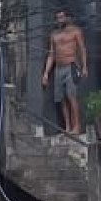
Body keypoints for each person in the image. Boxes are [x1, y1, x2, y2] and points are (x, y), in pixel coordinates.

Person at [41, 7, 87, 135]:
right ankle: (67, 127)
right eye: (57, 18)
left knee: (71, 96)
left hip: (71, 65)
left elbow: (82, 49)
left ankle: (76, 126)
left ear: (67, 18)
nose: (59, 20)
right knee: (61, 98)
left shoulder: (75, 31)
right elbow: (51, 54)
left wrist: (84, 67)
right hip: (58, 68)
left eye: (62, 17)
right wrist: (45, 73)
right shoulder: (54, 34)